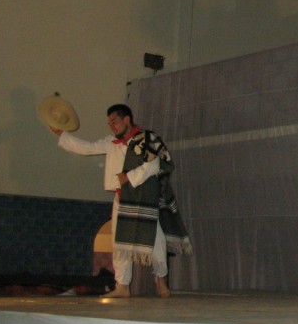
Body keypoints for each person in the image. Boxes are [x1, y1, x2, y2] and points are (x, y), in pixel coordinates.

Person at [50, 104, 192, 298]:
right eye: (109, 123)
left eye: (115, 121)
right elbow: (88, 148)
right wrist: (63, 136)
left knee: (155, 241)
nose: (112, 126)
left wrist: (129, 177)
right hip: (121, 198)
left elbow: (154, 164)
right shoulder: (111, 142)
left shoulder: (146, 139)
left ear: (127, 119)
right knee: (119, 243)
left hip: (143, 198)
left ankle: (161, 280)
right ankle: (122, 286)